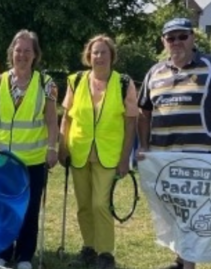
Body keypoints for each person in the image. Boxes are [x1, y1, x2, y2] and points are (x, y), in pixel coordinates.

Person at [137, 18, 211, 269]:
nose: (176, 42)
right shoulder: (154, 73)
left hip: (197, 158)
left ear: (192, 37)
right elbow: (144, 113)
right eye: (170, 37)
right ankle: (180, 259)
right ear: (163, 42)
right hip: (163, 158)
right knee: (173, 211)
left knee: (193, 210)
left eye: (182, 36)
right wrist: (143, 146)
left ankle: (188, 265)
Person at [58, 35, 139, 269]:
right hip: (79, 152)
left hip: (109, 155)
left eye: (104, 52)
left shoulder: (124, 83)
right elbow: (67, 118)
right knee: (84, 205)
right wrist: (62, 146)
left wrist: (126, 159)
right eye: (95, 52)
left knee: (100, 205)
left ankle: (105, 254)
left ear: (111, 56)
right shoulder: (76, 80)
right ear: (88, 56)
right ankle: (89, 248)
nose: (99, 56)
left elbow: (131, 123)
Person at [0, 30, 59, 269]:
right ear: (11, 53)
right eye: (18, 50)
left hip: (34, 160)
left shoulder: (47, 84)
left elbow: (52, 120)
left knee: (29, 208)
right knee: (3, 207)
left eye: (27, 51)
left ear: (35, 55)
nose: (22, 55)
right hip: (4, 160)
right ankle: (2, 253)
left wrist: (52, 147)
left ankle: (25, 256)